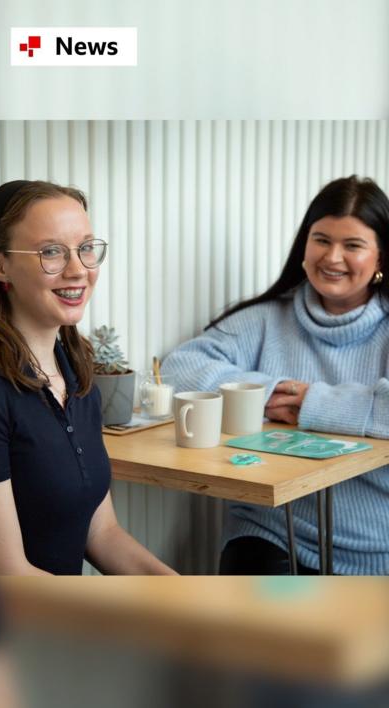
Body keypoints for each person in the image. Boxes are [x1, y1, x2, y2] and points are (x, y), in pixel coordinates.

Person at [162, 175, 389, 575]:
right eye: (321, 239)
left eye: (352, 245)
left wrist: (313, 404)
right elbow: (179, 367)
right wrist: (264, 394)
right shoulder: (266, 318)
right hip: (274, 531)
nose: (332, 257)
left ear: (381, 258)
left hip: (376, 547)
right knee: (262, 628)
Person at [0, 179, 176, 575]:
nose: (78, 270)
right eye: (51, 252)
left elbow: (101, 531)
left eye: (86, 249)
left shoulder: (75, 370)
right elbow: (10, 577)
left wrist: (176, 590)